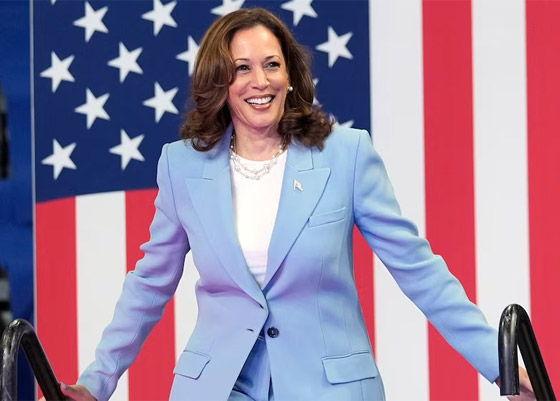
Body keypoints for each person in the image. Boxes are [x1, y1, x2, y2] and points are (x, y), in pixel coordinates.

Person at [55, 7, 535, 401]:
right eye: (241, 68)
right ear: (219, 82)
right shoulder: (181, 166)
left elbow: (419, 269)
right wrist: (96, 383)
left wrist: (502, 368)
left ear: (290, 75)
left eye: (272, 64)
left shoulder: (346, 155)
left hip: (329, 388)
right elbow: (149, 284)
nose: (259, 81)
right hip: (219, 387)